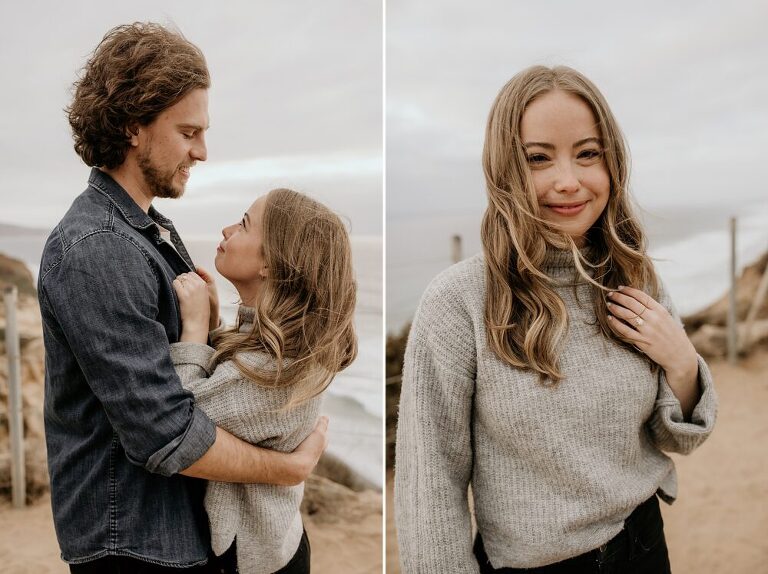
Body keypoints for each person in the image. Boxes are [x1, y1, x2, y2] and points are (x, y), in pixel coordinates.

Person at [394, 65, 718, 573]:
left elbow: (676, 438)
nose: (568, 182)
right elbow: (430, 487)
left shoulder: (636, 277)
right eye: (538, 159)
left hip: (643, 543)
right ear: (505, 170)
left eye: (588, 154)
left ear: (612, 162)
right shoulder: (458, 302)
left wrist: (682, 363)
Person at [39, 23, 327, 573]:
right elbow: (164, 435)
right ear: (132, 127)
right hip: (133, 541)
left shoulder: (148, 230)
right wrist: (287, 468)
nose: (202, 151)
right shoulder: (97, 248)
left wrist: (211, 329)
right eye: (188, 131)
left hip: (174, 533)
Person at [170, 188, 357, 573]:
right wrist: (213, 326)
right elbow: (230, 385)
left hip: (252, 561)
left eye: (243, 225)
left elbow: (180, 424)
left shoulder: (277, 369)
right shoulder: (280, 347)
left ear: (271, 263)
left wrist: (192, 330)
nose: (226, 230)